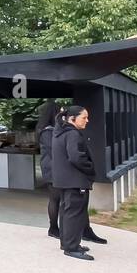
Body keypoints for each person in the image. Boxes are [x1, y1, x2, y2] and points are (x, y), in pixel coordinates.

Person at [50, 105, 97, 260]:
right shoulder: (72, 134)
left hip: (64, 180)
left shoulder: (59, 132)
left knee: (66, 213)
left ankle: (67, 243)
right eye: (84, 117)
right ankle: (72, 248)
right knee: (74, 214)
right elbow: (76, 157)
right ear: (72, 119)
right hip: (75, 180)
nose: (87, 121)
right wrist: (91, 169)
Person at [36, 102, 62, 238]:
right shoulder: (48, 131)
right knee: (55, 199)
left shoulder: (46, 130)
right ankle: (53, 228)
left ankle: (55, 228)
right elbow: (55, 150)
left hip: (50, 166)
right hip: (52, 168)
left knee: (55, 199)